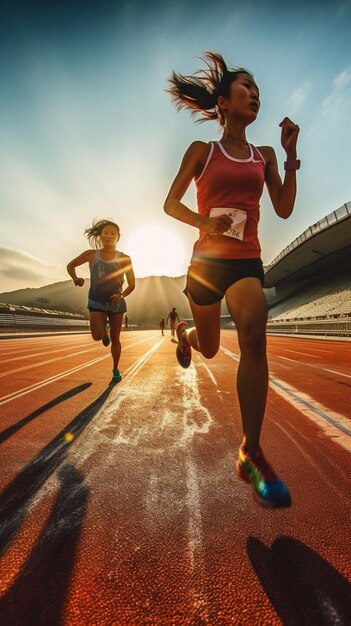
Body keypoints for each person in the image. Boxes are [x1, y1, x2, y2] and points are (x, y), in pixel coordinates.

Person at [164, 52, 300, 507]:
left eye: (259, 92)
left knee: (254, 335)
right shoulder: (203, 151)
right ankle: (183, 333)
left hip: (245, 261)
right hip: (206, 264)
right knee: (209, 347)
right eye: (247, 90)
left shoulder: (263, 156)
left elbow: (282, 208)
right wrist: (205, 222)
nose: (256, 97)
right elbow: (170, 205)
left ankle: (251, 451)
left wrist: (290, 155)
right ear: (223, 103)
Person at [66, 218, 135, 383]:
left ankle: (116, 369)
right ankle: (104, 330)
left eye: (113, 233)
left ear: (118, 237)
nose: (109, 236)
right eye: (106, 233)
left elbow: (132, 284)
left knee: (116, 339)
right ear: (100, 236)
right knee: (97, 337)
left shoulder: (125, 258)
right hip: (96, 301)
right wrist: (76, 278)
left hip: (117, 303)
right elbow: (70, 265)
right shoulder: (91, 255)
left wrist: (122, 295)